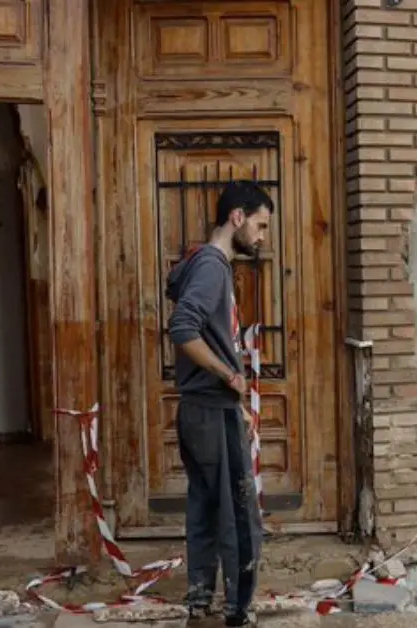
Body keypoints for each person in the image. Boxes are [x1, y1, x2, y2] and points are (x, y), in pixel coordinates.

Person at [165, 180, 272, 625]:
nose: (262, 237)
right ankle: (237, 610)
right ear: (237, 218)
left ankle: (199, 600)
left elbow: (206, 332)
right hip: (210, 407)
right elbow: (183, 327)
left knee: (206, 507)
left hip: (198, 409)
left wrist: (238, 401)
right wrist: (229, 377)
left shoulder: (196, 262)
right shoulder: (211, 266)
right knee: (241, 515)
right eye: (261, 225)